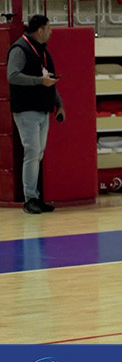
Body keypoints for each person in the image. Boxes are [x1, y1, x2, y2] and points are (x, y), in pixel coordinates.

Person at [7, 14, 65, 214]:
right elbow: (12, 75)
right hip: (26, 109)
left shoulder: (43, 51)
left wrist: (59, 104)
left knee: (38, 153)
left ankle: (35, 198)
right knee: (32, 152)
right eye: (49, 27)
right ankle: (30, 199)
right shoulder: (19, 49)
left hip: (42, 108)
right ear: (40, 30)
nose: (51, 31)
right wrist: (39, 81)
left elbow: (50, 80)